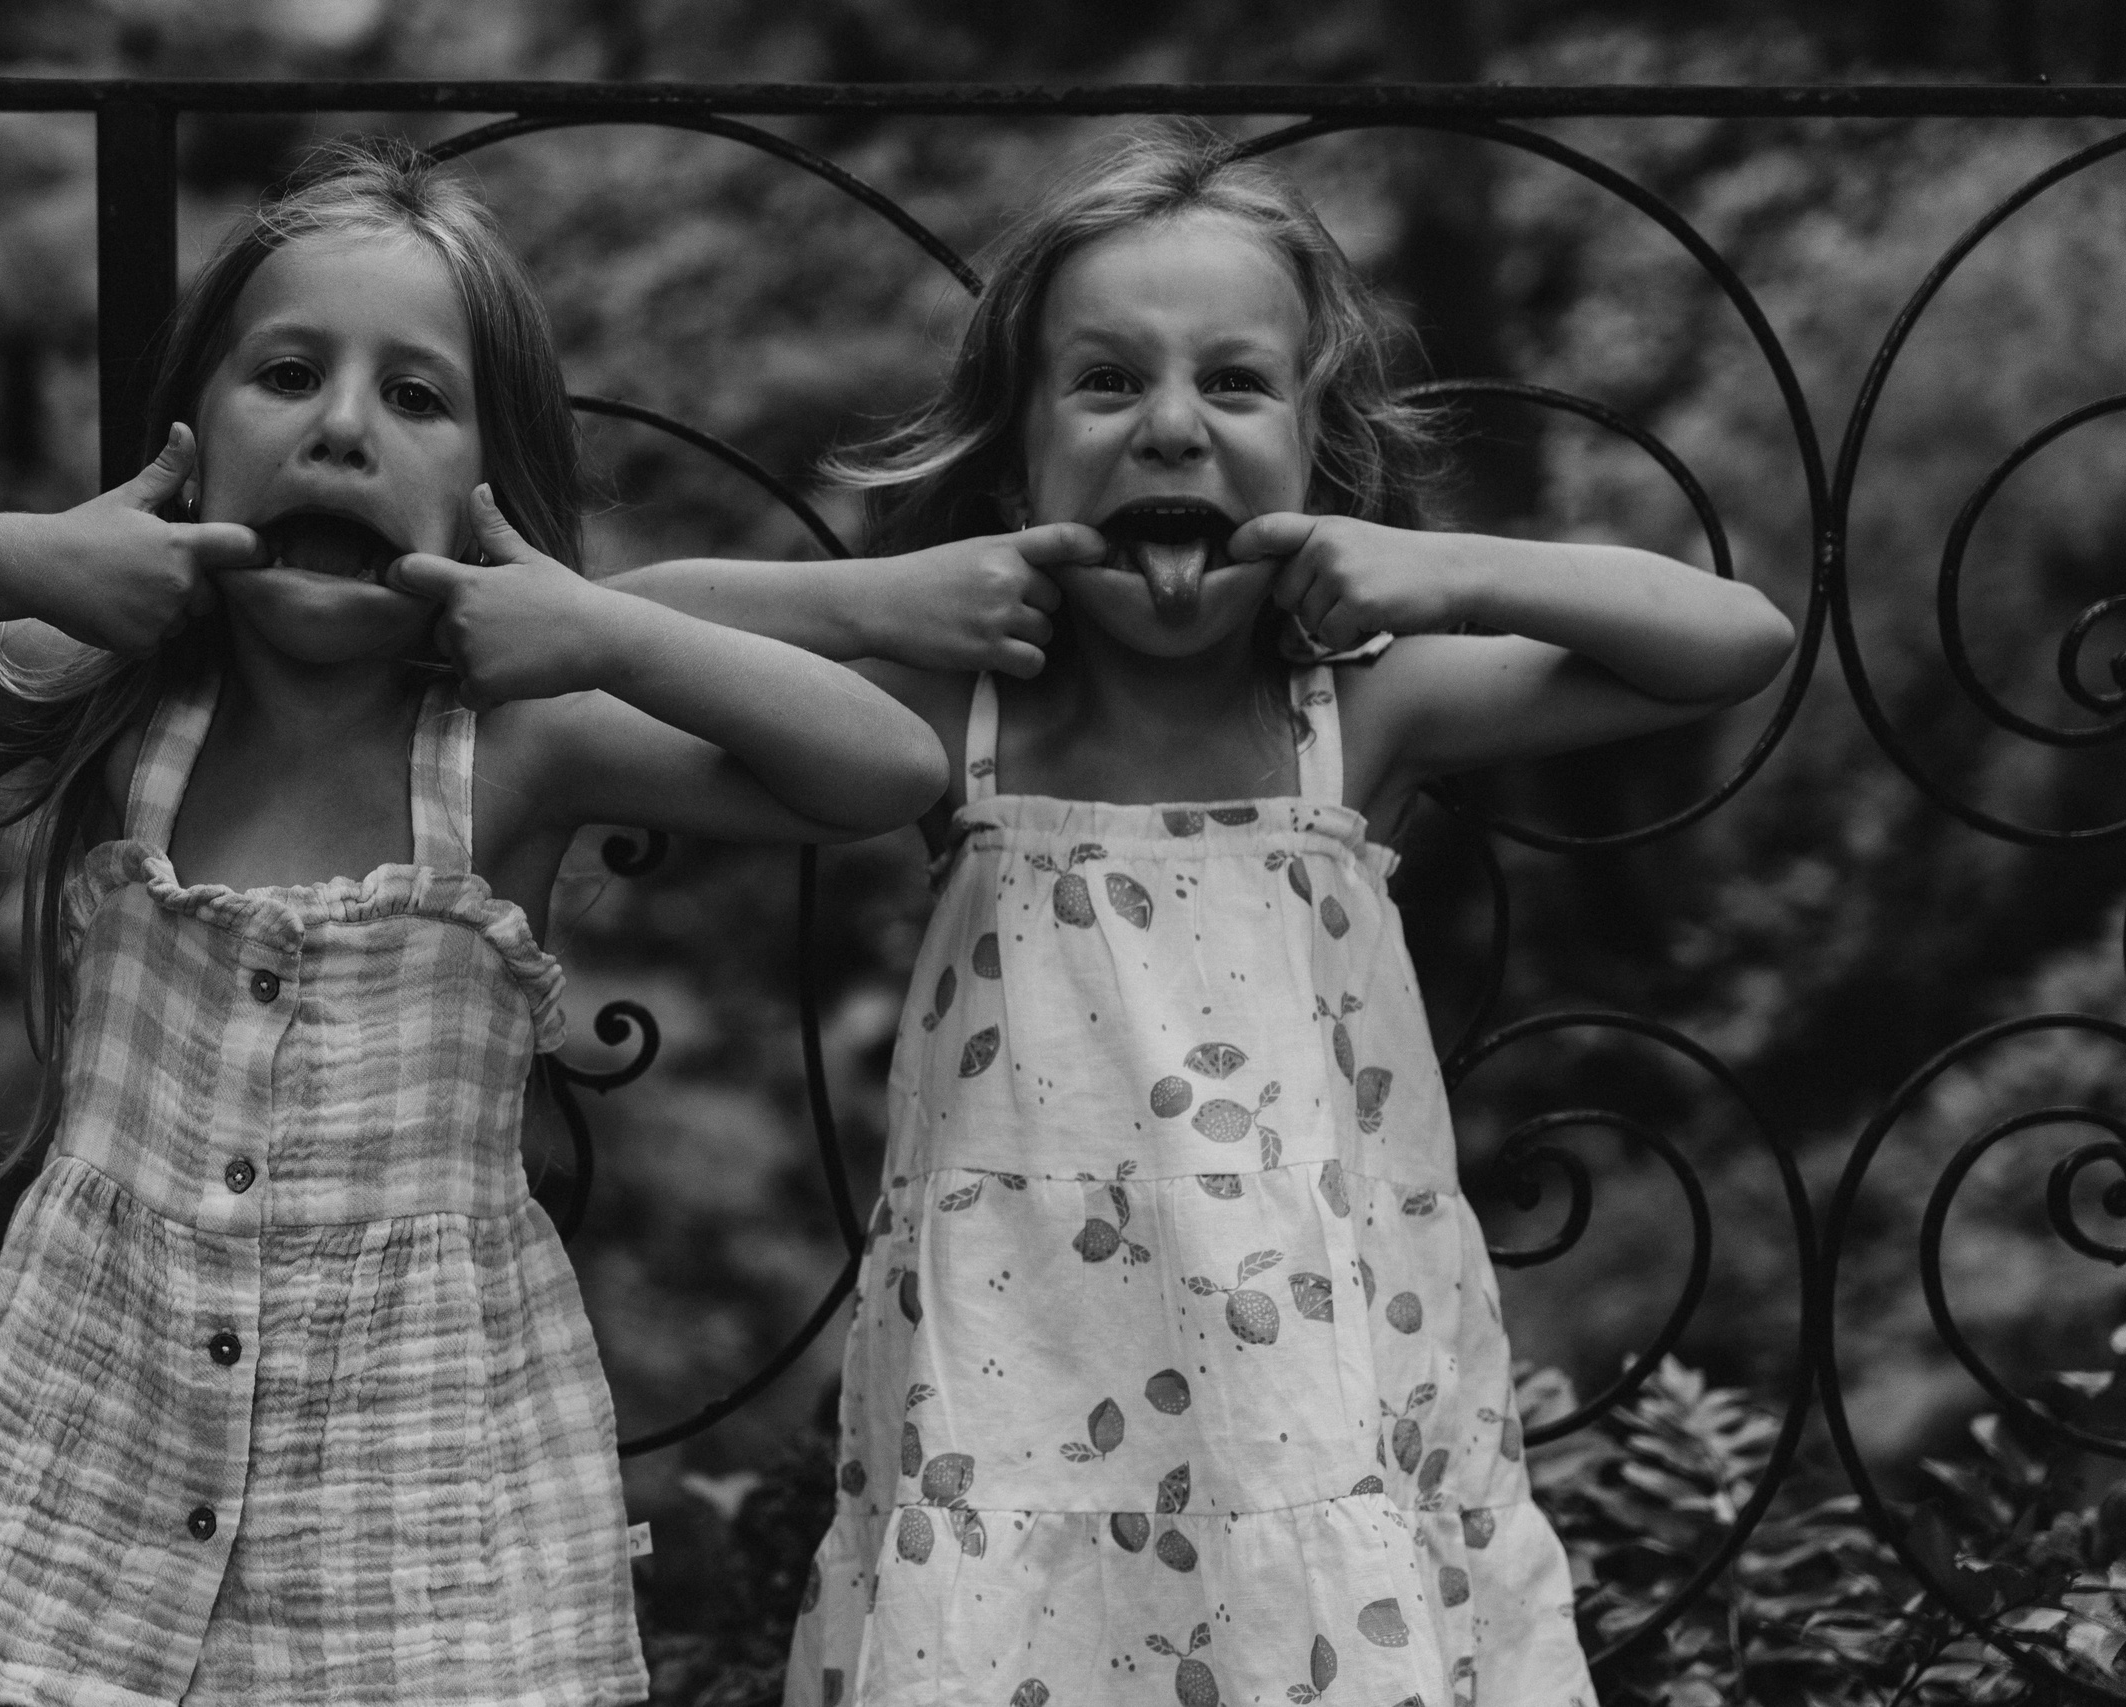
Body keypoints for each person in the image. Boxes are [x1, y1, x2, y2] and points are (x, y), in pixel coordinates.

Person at [0, 137, 945, 1707]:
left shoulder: (518, 747)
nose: (343, 428)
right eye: (288, 373)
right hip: (112, 1443)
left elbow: (886, 771)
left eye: (416, 397)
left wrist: (596, 622)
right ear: (194, 435)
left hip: (416, 1475)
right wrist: (33, 555)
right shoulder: (105, 695)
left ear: (490, 484)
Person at [607, 125, 1794, 1707]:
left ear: (1314, 446)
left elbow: (1735, 637)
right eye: (1105, 384)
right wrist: (869, 602)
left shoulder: (1360, 720)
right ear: (1018, 448)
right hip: (1014, 1417)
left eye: (1234, 385)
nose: (1171, 427)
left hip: (1316, 1411)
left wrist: (1435, 571)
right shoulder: (958, 714)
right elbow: (600, 630)